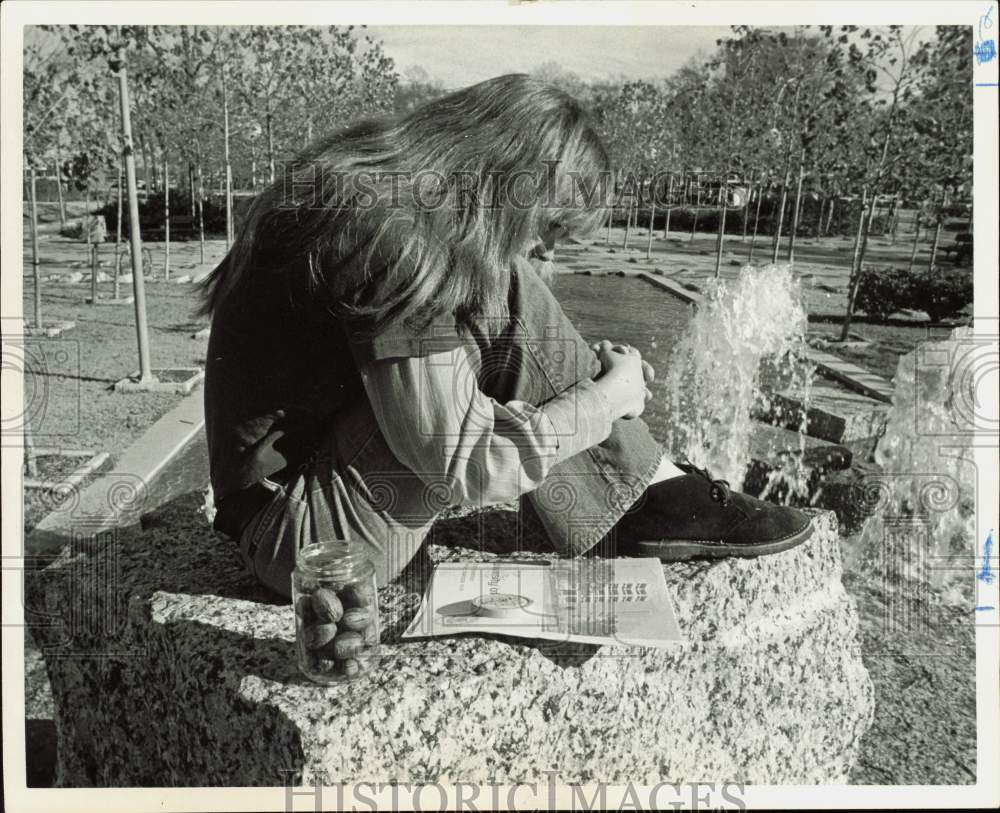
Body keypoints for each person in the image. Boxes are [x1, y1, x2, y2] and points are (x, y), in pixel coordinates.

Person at [199, 74, 812, 599]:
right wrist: (605, 402)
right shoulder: (394, 235)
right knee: (506, 286)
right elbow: (466, 464)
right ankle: (645, 490)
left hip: (304, 500)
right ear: (505, 178)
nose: (551, 249)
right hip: (307, 544)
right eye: (551, 227)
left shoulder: (381, 184)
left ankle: (643, 484)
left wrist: (583, 394)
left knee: (495, 275)